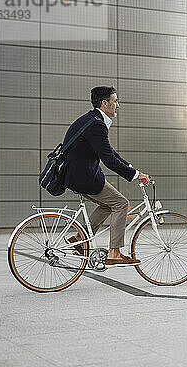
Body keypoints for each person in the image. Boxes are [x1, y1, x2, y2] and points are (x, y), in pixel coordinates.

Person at [63, 86, 149, 267]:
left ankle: (80, 238)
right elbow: (108, 159)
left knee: (108, 204)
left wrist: (132, 170)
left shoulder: (92, 119)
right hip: (84, 176)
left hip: (76, 175)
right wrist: (134, 175)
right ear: (104, 103)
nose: (117, 105)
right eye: (115, 101)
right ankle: (115, 252)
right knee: (121, 204)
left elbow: (109, 152)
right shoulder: (97, 124)